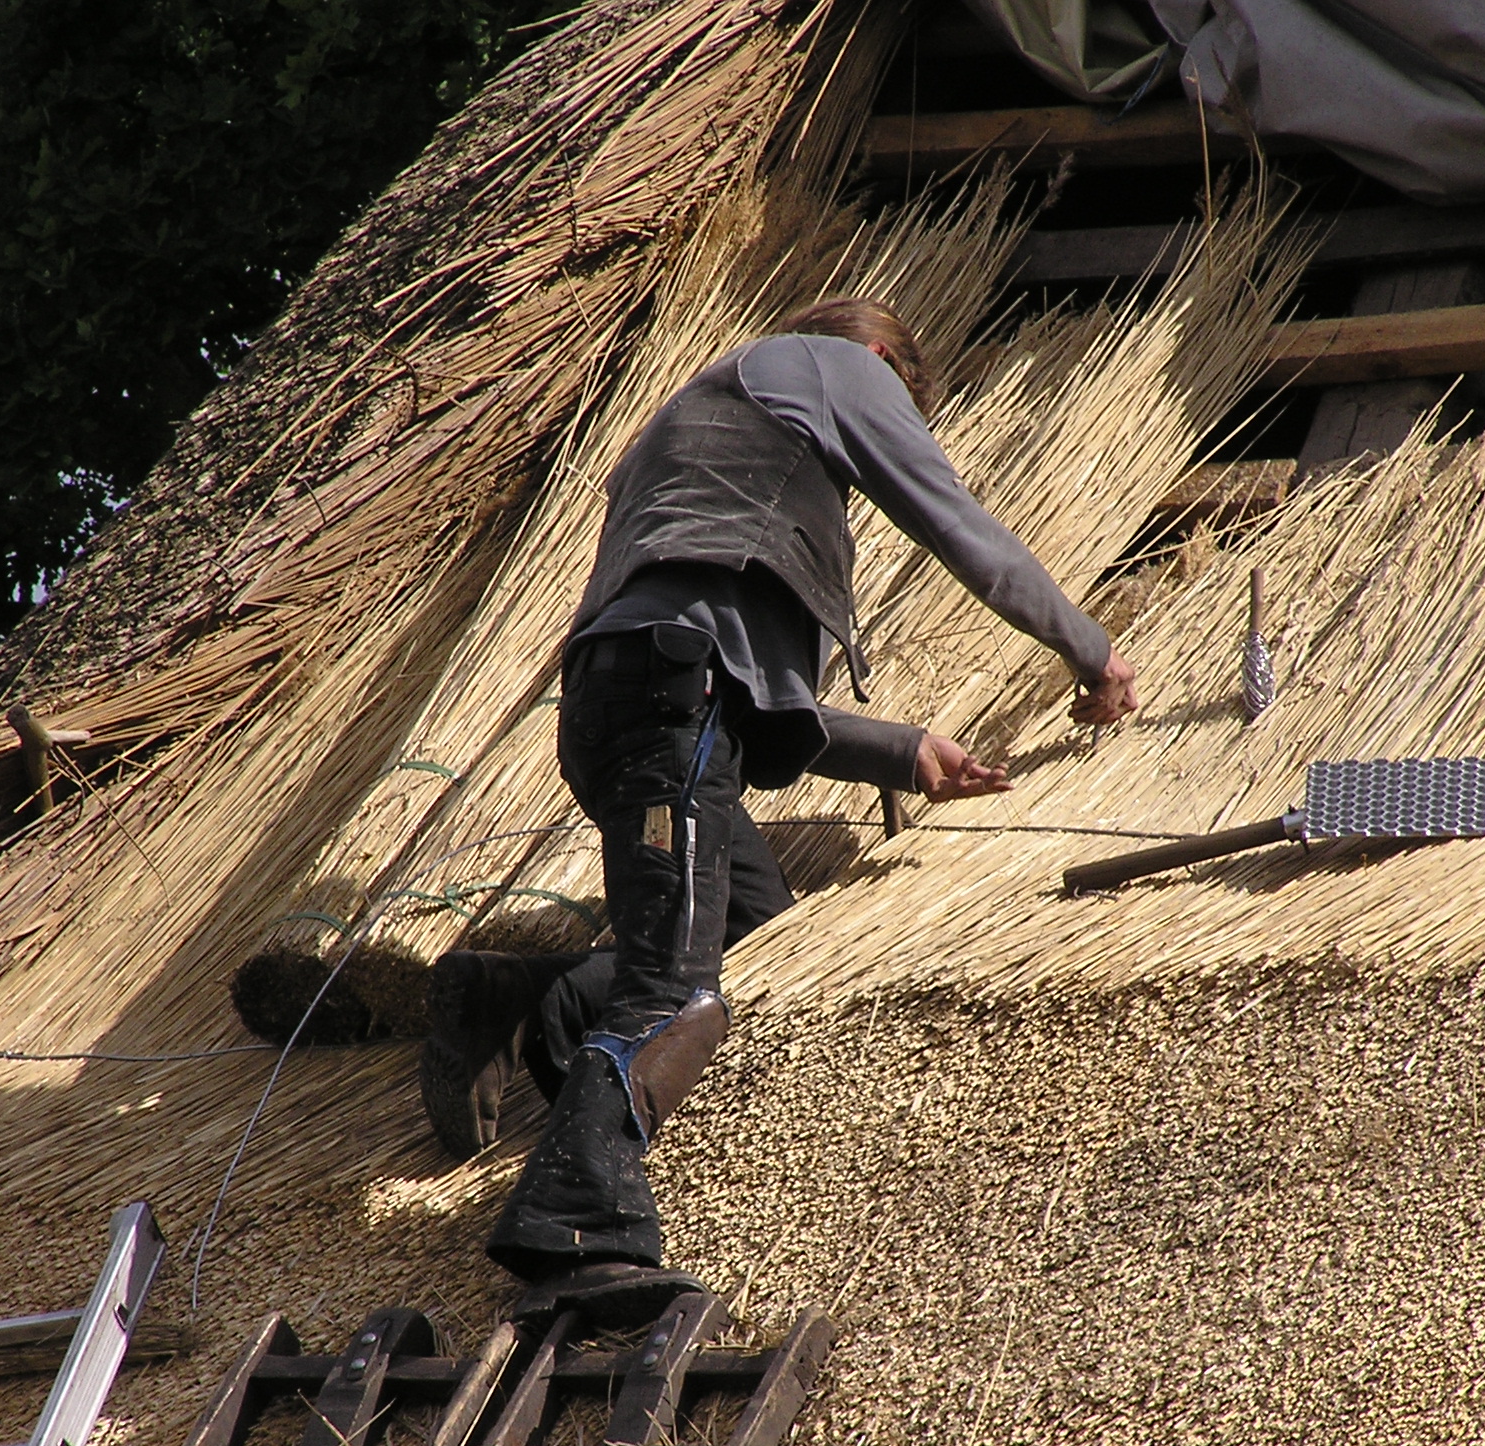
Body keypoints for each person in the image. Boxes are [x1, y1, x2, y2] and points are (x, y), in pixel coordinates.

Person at [420, 297, 1139, 1328]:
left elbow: (732, 676)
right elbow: (955, 523)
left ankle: (518, 1002)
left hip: (626, 703)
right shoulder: (830, 367)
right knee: (681, 996)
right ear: (883, 357)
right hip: (674, 703)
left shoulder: (688, 431)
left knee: (755, 929)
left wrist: (901, 749)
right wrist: (1090, 647)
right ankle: (573, 1219)